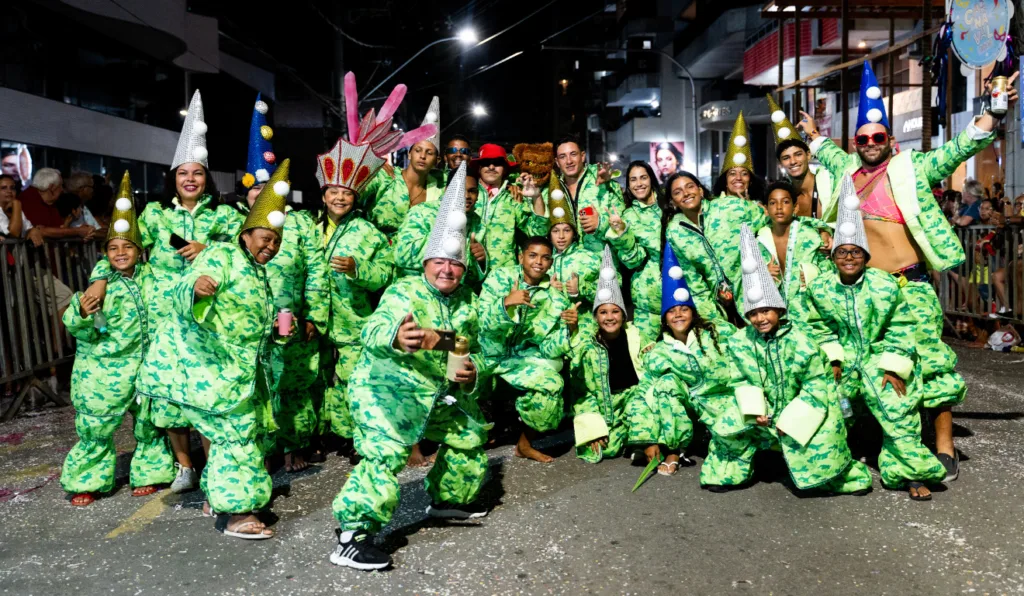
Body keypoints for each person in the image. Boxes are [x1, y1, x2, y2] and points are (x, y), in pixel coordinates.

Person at [797, 63, 1018, 482]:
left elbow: (958, 148)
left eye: (878, 137)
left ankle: (944, 446)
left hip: (909, 283)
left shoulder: (910, 167)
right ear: (856, 143)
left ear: (890, 140)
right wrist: (811, 135)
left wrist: (995, 111)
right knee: (868, 367)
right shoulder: (846, 171)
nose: (871, 143)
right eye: (863, 138)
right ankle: (881, 441)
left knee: (930, 365)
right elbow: (824, 149)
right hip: (865, 291)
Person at [330, 163, 490, 571]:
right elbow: (375, 327)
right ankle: (352, 535)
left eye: (454, 265)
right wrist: (396, 337)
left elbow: (469, 349)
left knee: (469, 434)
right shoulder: (404, 290)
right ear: (425, 262)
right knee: (384, 455)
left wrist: (472, 374)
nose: (447, 269)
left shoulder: (467, 303)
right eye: (439, 262)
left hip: (436, 394)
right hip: (387, 389)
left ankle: (448, 502)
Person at [85, 90, 240, 493]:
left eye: (198, 173)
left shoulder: (225, 217)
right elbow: (123, 248)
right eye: (184, 173)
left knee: (206, 391)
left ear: (207, 179)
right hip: (164, 316)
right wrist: (100, 276)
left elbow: (246, 251)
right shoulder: (155, 216)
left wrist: (212, 248)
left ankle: (212, 467)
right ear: (174, 178)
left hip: (208, 314)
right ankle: (184, 466)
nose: (191, 179)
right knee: (170, 394)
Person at [136, 161, 295, 539]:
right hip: (210, 366)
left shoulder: (259, 272)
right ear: (245, 232)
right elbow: (183, 286)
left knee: (240, 436)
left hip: (237, 372)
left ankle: (225, 498)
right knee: (233, 437)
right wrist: (196, 288)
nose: (269, 247)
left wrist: (276, 331)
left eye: (276, 241)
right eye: (264, 238)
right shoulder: (221, 255)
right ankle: (235, 514)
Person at [703, 224, 872, 495]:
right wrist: (754, 409)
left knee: (825, 445)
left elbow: (817, 384)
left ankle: (832, 474)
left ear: (779, 310)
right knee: (726, 423)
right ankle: (736, 468)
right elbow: (740, 379)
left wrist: (791, 419)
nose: (760, 319)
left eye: (766, 311)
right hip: (762, 413)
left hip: (800, 412)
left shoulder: (801, 340)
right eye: (754, 313)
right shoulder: (739, 342)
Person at [804, 176, 945, 500]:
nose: (849, 257)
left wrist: (894, 366)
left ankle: (909, 474)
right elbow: (817, 327)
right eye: (842, 252)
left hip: (877, 357)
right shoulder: (821, 288)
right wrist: (833, 358)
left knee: (898, 402)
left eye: (855, 252)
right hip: (842, 359)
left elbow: (901, 326)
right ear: (834, 256)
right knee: (826, 402)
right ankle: (835, 470)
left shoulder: (884, 285)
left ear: (866, 255)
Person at [59, 172, 175, 506]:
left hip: (146, 367)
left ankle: (151, 472)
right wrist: (81, 310)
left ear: (140, 250)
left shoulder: (155, 279)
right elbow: (76, 324)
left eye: (127, 247)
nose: (120, 252)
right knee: (96, 425)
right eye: (113, 247)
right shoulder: (101, 282)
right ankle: (88, 480)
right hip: (103, 370)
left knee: (149, 423)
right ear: (105, 252)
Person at [235, 96, 329, 473]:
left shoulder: (302, 224)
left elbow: (317, 273)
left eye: (268, 188)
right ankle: (266, 449)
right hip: (251, 322)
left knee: (294, 385)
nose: (261, 195)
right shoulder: (232, 224)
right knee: (260, 386)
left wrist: (314, 318)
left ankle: (295, 445)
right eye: (255, 190)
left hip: (292, 318)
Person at [314, 125, 398, 458]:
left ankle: (356, 437)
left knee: (352, 380)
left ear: (355, 197)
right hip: (314, 321)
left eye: (346, 193)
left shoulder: (369, 232)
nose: (339, 198)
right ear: (323, 195)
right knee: (316, 380)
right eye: (333, 191)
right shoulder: (307, 227)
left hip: (353, 321)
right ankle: (322, 435)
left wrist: (357, 269)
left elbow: (385, 274)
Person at [629, 244, 738, 476]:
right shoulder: (659, 352)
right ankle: (674, 449)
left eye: (683, 309)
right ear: (665, 319)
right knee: (665, 384)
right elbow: (642, 394)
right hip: (695, 409)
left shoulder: (718, 332)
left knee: (738, 463)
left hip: (727, 402)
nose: (678, 314)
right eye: (672, 311)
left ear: (693, 312)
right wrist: (648, 438)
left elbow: (747, 353)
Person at [478, 235, 573, 463]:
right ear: (521, 257)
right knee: (451, 375)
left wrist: (569, 330)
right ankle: (444, 445)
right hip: (484, 354)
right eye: (532, 255)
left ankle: (525, 443)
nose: (538, 262)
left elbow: (549, 348)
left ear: (551, 262)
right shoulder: (500, 277)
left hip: (518, 361)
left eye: (545, 258)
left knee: (552, 384)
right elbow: (479, 321)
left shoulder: (555, 296)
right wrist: (504, 304)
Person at [569, 245, 650, 463]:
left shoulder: (636, 335)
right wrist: (592, 427)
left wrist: (651, 351)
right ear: (595, 317)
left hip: (634, 396)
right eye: (603, 312)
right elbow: (582, 391)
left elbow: (651, 362)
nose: (610, 317)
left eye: (615, 311)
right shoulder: (587, 346)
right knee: (607, 449)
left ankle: (643, 440)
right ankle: (626, 436)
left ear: (623, 316)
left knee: (643, 410)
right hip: (607, 403)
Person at [663, 170, 769, 328]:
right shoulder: (674, 231)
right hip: (719, 304)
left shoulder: (729, 206)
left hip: (754, 290)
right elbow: (694, 281)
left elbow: (769, 223)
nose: (685, 193)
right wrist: (717, 323)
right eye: (678, 192)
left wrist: (769, 263)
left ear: (700, 190)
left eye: (690, 187)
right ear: (673, 201)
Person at [362, 95, 445, 235]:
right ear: (409, 154)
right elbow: (353, 192)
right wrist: (369, 165)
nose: (423, 156)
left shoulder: (437, 190)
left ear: (437, 160)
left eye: (429, 153)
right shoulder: (386, 176)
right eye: (418, 150)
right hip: (377, 251)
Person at [394, 168, 486, 288]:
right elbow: (402, 256)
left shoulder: (477, 223)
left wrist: (480, 261)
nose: (466, 196)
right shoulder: (422, 213)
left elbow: (470, 278)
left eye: (472, 191)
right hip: (415, 291)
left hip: (453, 297)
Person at [757, 181, 832, 323]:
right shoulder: (759, 240)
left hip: (809, 317)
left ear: (795, 208)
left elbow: (829, 271)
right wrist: (761, 273)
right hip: (772, 319)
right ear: (766, 209)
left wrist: (812, 273)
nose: (779, 207)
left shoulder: (811, 237)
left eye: (785, 202)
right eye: (773, 203)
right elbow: (747, 279)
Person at [606, 161, 664, 340]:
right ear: (628, 185)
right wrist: (622, 233)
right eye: (633, 180)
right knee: (646, 357)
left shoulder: (670, 204)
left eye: (643, 177)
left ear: (651, 179)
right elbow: (633, 261)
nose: (639, 184)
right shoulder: (628, 216)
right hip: (647, 300)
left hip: (682, 291)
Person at [471, 143, 549, 275]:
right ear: (479, 168)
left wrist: (537, 197)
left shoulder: (514, 197)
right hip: (467, 275)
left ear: (505, 169)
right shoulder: (467, 194)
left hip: (502, 277)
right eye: (486, 163)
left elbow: (538, 232)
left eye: (497, 163)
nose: (491, 167)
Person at [545, 134, 625, 253]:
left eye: (573, 154)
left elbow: (622, 227)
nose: (569, 161)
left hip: (601, 266)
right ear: (557, 162)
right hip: (566, 267)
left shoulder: (604, 183)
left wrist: (600, 224)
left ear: (582, 156)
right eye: (562, 156)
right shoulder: (552, 190)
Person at [766, 94, 832, 219]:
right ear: (780, 164)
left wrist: (814, 134)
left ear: (808, 155)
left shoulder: (830, 183)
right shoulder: (783, 199)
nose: (793, 161)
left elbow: (845, 165)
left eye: (798, 154)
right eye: (786, 158)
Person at [547, 186, 601, 336]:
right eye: (556, 231)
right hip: (552, 331)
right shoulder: (543, 261)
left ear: (574, 233)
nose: (561, 236)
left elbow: (609, 293)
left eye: (567, 230)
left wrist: (581, 288)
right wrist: (548, 288)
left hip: (584, 329)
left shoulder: (590, 258)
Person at [710, 112, 767, 203]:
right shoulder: (710, 209)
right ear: (725, 181)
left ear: (751, 181)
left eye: (744, 173)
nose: (738, 178)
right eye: (732, 173)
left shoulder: (761, 211)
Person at [0, 174, 43, 245]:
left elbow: (28, 229)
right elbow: (14, 234)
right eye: (4, 188)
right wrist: (17, 203)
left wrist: (32, 231)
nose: (9, 191)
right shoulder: (16, 205)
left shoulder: (15, 209)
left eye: (12, 188)